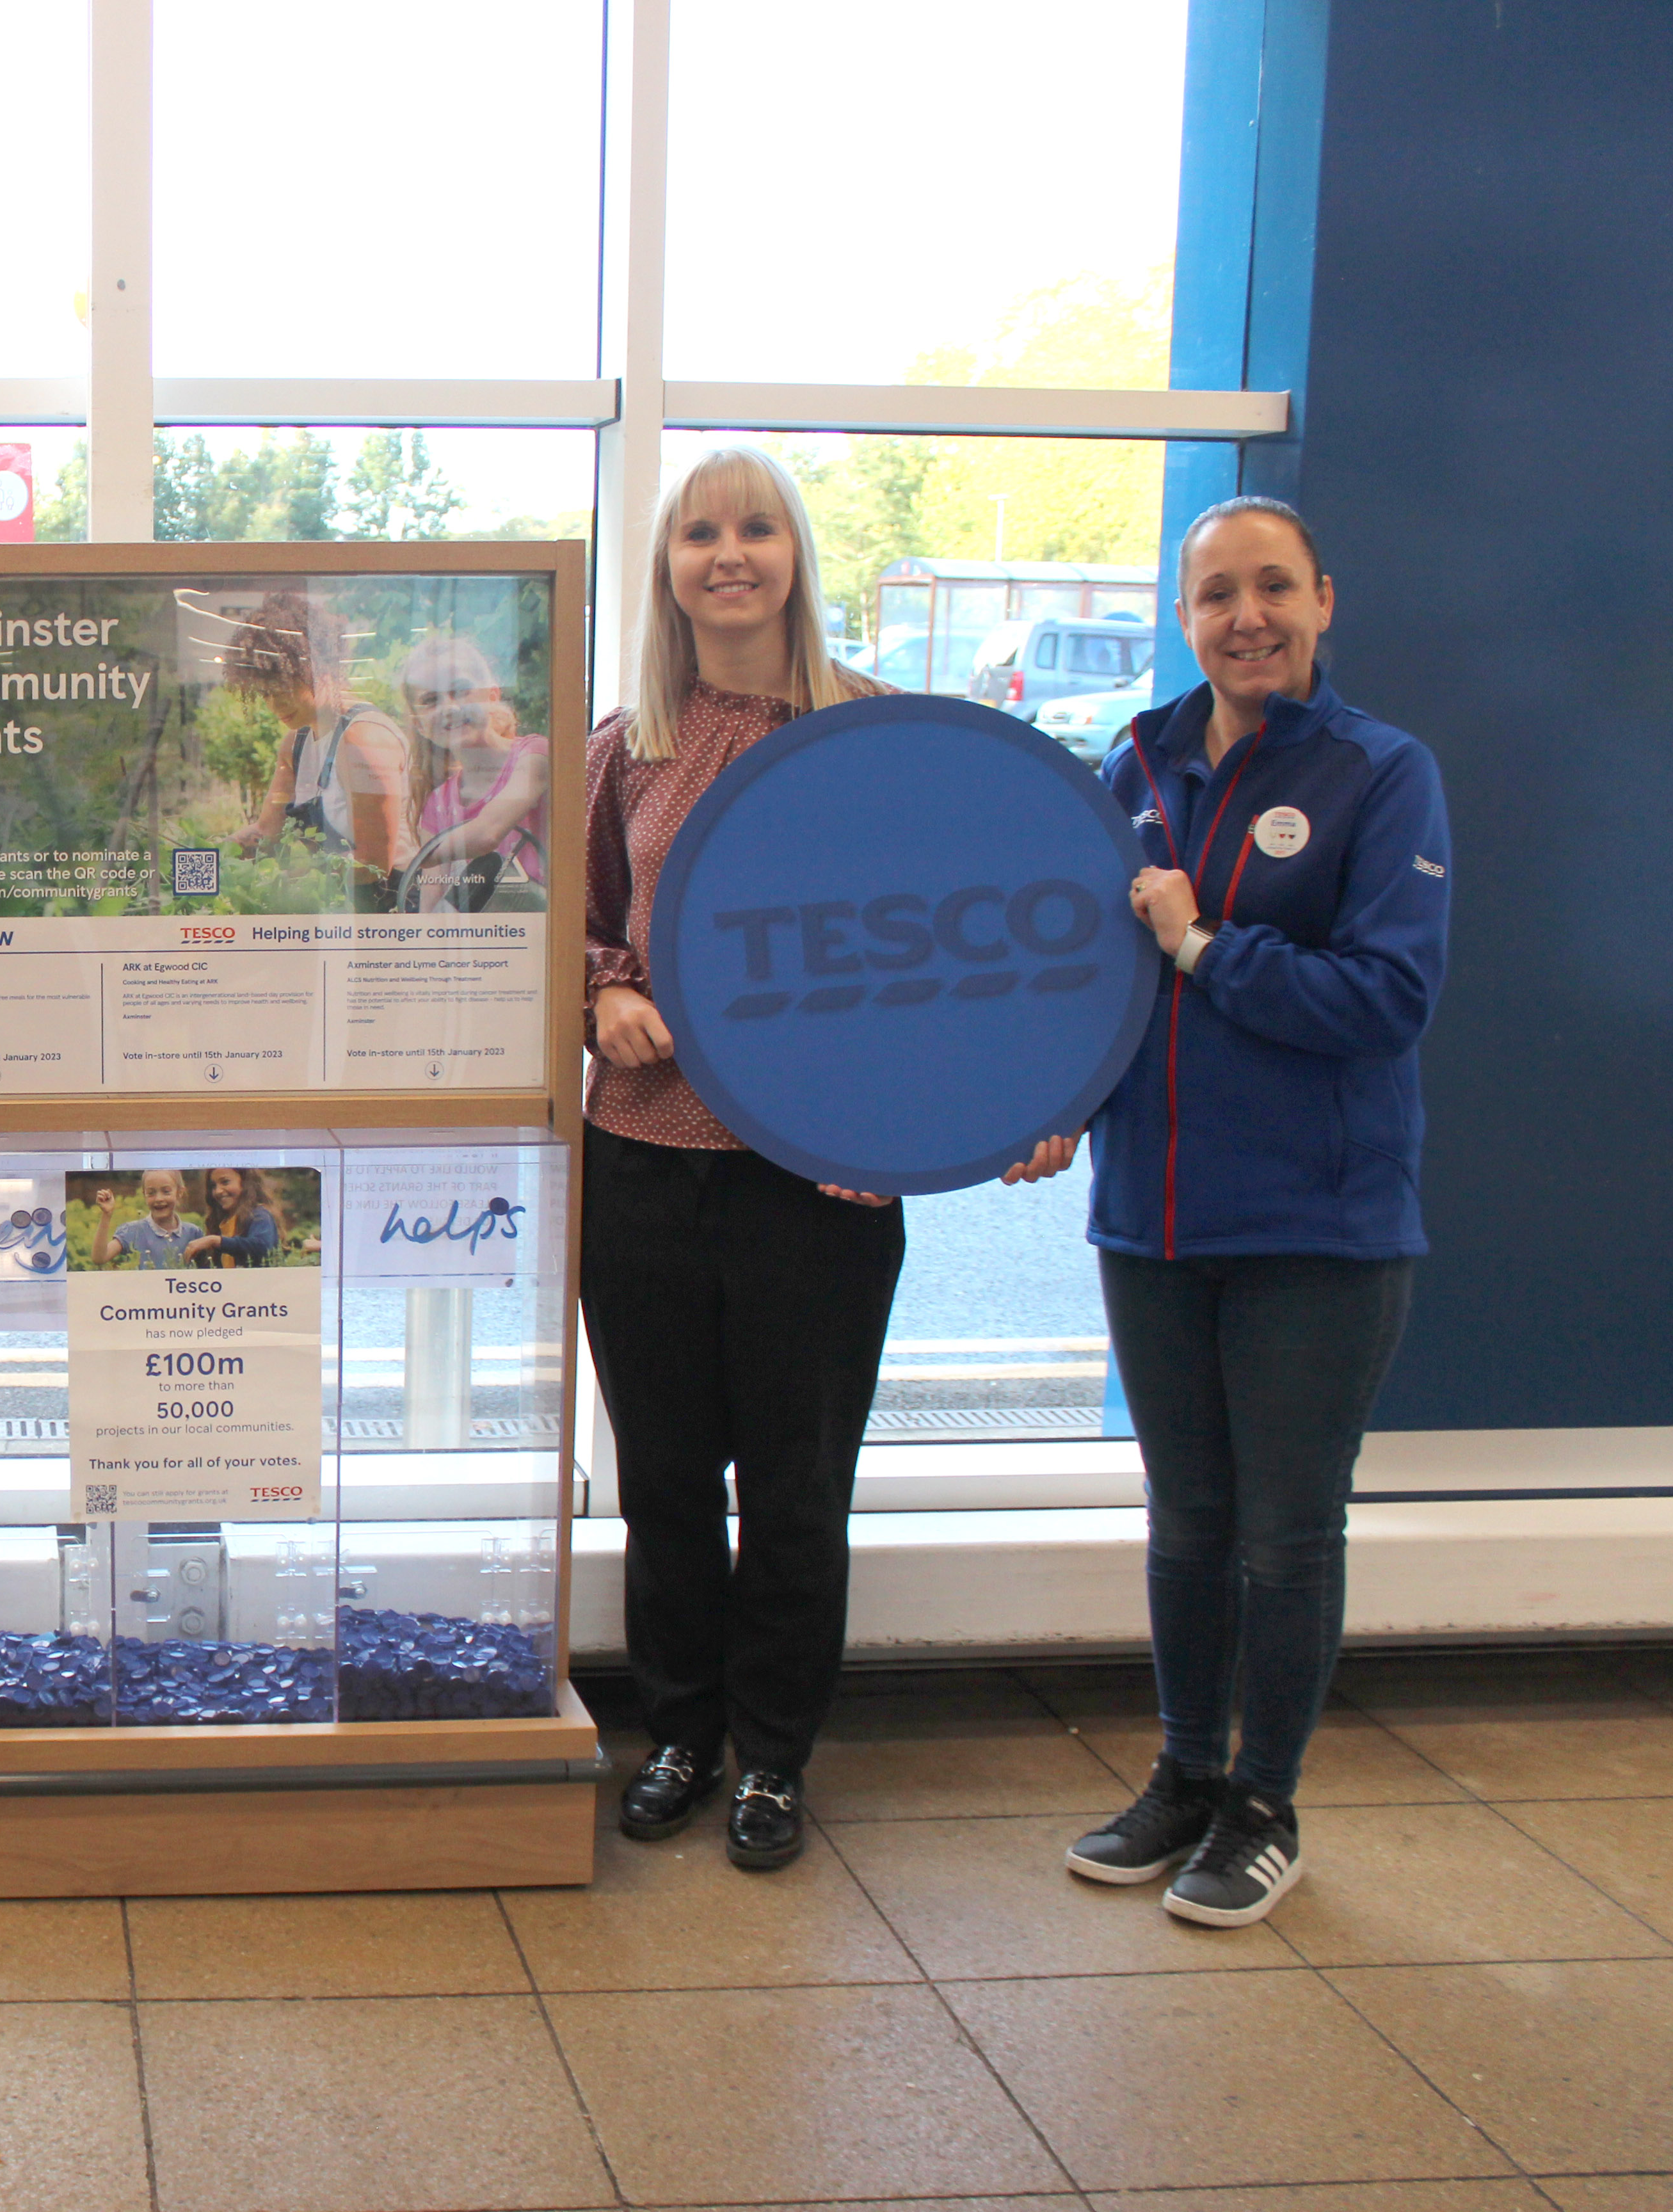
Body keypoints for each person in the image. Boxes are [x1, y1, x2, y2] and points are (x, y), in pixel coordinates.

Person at [580, 444, 1070, 1872]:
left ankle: (775, 1758)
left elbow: (954, 953)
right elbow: (586, 935)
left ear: (795, 553)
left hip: (819, 1186)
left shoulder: (880, 733)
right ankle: (678, 1729)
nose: (728, 554)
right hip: (646, 1167)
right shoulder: (628, 748)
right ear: (668, 567)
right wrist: (605, 999)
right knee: (667, 1480)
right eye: (698, 534)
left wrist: (933, 1116)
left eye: (755, 528)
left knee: (797, 1488)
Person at [1061, 496, 1449, 1927]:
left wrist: (1208, 948)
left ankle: (1263, 1805)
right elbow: (1090, 989)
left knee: (1287, 1533)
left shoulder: (1381, 774)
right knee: (1185, 1524)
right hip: (1151, 1223)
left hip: (1316, 1234)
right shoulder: (1137, 763)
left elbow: (1388, 999)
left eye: (1273, 587)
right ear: (1185, 615)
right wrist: (1057, 1108)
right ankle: (1181, 1777)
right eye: (1218, 593)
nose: (1248, 617)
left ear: (1325, 601)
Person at [228, 588, 413, 905]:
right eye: (264, 694)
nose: (274, 705)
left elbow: (374, 865)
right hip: (336, 909)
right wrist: (209, 854)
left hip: (388, 912)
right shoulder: (296, 745)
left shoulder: (363, 739)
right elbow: (266, 835)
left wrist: (284, 881)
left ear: (320, 667)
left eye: (282, 688)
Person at [399, 634, 550, 912]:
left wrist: (414, 860)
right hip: (485, 944)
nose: (451, 709)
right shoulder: (437, 803)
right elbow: (430, 908)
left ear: (493, 696)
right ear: (420, 725)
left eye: (461, 691)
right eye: (431, 700)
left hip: (542, 937)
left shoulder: (535, 755)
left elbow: (488, 833)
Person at [90, 1169, 205, 1270]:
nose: (159, 1199)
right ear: (144, 1195)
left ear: (179, 1193)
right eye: (151, 1193)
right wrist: (107, 1215)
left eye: (166, 1192)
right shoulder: (133, 1231)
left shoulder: (194, 1233)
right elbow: (100, 1258)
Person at [187, 1165, 280, 1267]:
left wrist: (215, 1241)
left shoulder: (259, 1215)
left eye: (225, 1182)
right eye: (213, 1186)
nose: (218, 1191)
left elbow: (262, 1248)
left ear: (245, 1183)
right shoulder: (221, 1222)